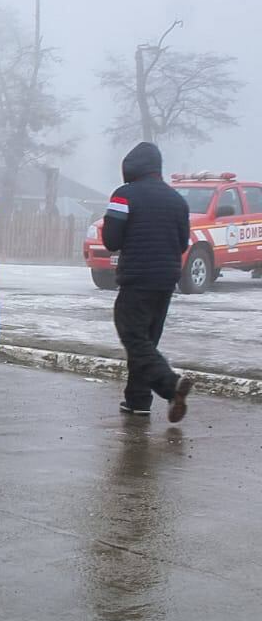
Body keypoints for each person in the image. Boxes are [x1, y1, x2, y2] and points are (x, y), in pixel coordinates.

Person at [102, 142, 194, 422]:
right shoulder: (177, 200)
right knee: (147, 341)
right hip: (166, 280)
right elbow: (181, 243)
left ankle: (170, 385)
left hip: (137, 278)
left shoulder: (124, 196)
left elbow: (111, 240)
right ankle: (138, 401)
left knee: (134, 337)